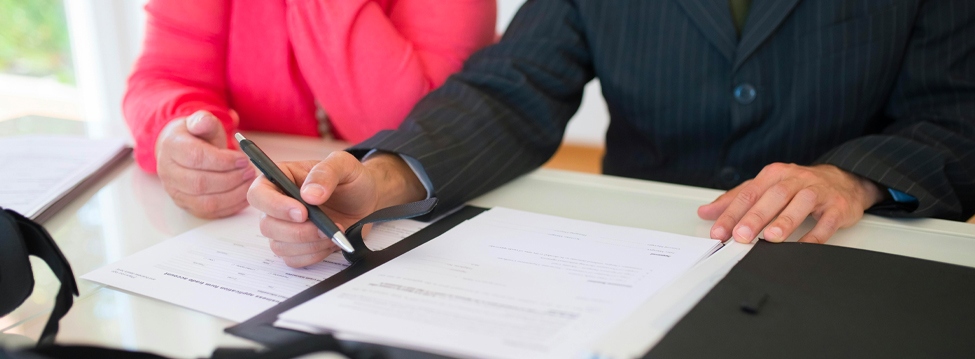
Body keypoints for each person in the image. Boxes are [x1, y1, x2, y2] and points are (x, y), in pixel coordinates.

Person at [248, 0, 975, 267]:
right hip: (649, 257)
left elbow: (958, 113)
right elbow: (510, 89)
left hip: (846, 254)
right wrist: (384, 176)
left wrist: (852, 176)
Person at [123, 0, 496, 218]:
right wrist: (177, 132)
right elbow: (165, 77)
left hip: (418, 216)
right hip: (256, 226)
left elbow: (414, 128)